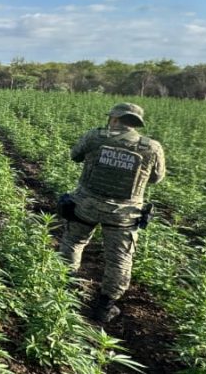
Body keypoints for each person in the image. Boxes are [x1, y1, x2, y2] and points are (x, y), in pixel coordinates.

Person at [58, 103, 166, 323]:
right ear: (135, 123)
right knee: (119, 258)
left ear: (115, 119)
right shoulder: (151, 147)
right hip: (124, 214)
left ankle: (64, 287)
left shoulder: (95, 137)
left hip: (86, 205)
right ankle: (105, 307)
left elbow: (75, 155)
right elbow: (156, 178)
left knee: (73, 242)